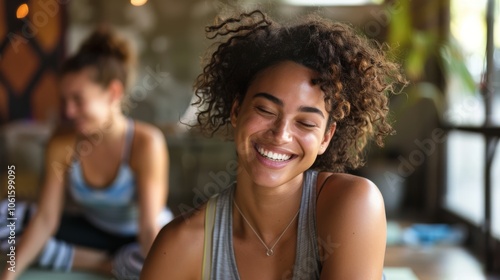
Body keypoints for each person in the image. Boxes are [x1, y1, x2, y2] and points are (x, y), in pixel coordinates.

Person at [141, 9, 406, 280]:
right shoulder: (181, 244)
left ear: (326, 137)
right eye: (266, 110)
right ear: (236, 111)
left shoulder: (353, 204)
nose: (281, 135)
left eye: (305, 123)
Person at [0, 28, 173, 280]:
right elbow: (47, 218)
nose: (69, 112)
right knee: (6, 218)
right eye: (64, 100)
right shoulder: (62, 142)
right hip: (92, 232)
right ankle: (105, 265)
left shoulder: (146, 143)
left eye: (78, 100)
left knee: (165, 259)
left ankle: (108, 262)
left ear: (113, 92)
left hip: (137, 237)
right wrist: (8, 275)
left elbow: (148, 228)